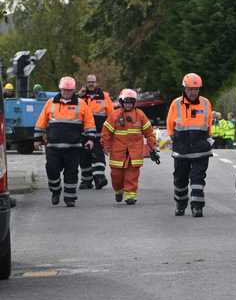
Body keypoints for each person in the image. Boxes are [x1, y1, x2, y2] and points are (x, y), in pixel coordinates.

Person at [34, 76, 97, 207]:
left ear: (73, 90)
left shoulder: (81, 104)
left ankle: (70, 197)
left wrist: (90, 139)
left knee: (71, 172)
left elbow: (89, 123)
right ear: (60, 89)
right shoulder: (50, 103)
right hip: (53, 146)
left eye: (69, 90)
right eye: (64, 90)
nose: (66, 93)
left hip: (73, 147)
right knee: (51, 170)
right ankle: (56, 190)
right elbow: (41, 122)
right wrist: (37, 139)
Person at [166, 73, 213, 218]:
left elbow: (209, 124)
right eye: (190, 89)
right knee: (180, 180)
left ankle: (197, 207)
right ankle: (181, 203)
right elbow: (170, 125)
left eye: (196, 89)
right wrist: (175, 139)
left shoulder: (205, 103)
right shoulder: (176, 104)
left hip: (200, 149)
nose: (193, 92)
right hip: (182, 149)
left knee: (198, 179)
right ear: (184, 88)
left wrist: (208, 140)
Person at [101, 89, 159, 205]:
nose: (128, 104)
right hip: (118, 152)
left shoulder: (140, 115)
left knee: (132, 175)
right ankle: (118, 190)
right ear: (122, 102)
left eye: (130, 102)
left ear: (134, 103)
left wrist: (152, 146)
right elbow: (106, 132)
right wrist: (106, 146)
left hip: (134, 152)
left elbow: (149, 132)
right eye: (126, 102)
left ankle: (130, 195)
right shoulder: (115, 115)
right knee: (116, 175)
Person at [78, 74, 114, 190]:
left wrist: (111, 131)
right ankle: (86, 181)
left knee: (98, 156)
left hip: (99, 133)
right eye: (89, 82)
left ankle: (99, 178)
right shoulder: (81, 97)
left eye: (93, 82)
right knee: (84, 157)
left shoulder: (104, 96)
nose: (91, 84)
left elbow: (111, 115)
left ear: (96, 83)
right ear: (86, 83)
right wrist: (78, 95)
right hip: (84, 133)